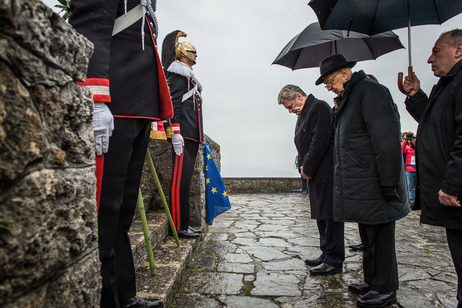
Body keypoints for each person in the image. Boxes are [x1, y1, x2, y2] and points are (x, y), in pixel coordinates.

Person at [69, 0, 173, 307]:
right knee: (105, 211)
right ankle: (106, 300)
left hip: (138, 108)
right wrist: (95, 94)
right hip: (114, 103)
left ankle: (124, 295)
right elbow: (90, 26)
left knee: (123, 213)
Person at [316, 54, 409, 308]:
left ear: (345, 74)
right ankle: (373, 281)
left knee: (380, 238)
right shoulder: (350, 97)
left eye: (330, 81)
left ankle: (385, 288)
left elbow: (386, 140)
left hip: (377, 181)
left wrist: (389, 183)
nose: (329, 87)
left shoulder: (371, 92)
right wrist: (339, 103)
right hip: (363, 182)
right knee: (368, 236)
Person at [402, 29, 462, 308]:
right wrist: (415, 95)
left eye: (436, 51)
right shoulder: (448, 83)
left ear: (458, 50)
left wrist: (453, 184)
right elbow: (434, 124)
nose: (429, 59)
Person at [278, 85, 345, 276]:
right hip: (316, 173)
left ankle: (334, 259)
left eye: (291, 106)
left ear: (299, 96)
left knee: (331, 216)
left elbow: (320, 141)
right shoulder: (305, 113)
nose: (290, 111)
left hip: (326, 171)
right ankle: (326, 253)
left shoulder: (319, 108)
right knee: (321, 215)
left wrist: (306, 168)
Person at [161, 31, 203, 238]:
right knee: (179, 182)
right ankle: (177, 226)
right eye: (192, 52)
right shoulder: (177, 75)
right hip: (183, 134)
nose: (196, 55)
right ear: (182, 53)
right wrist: (175, 131)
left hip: (192, 134)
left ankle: (183, 223)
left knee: (185, 182)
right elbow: (174, 104)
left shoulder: (189, 78)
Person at [401, 132, 416, 208]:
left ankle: (416, 200)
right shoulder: (407, 147)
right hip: (409, 170)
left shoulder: (417, 147)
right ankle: (411, 201)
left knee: (416, 187)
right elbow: (401, 150)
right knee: (410, 187)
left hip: (416, 169)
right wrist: (405, 141)